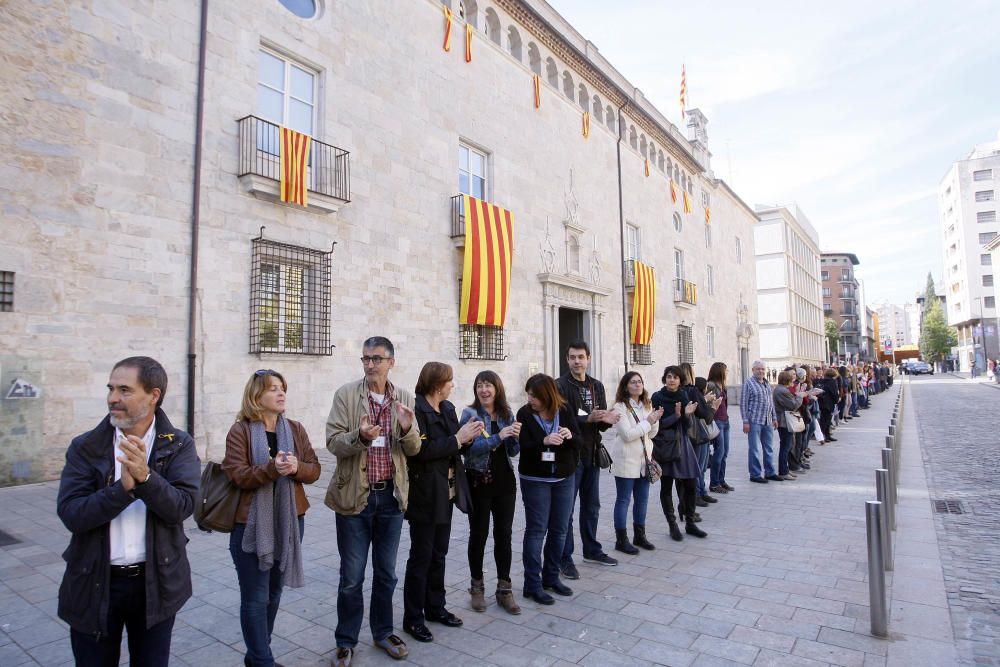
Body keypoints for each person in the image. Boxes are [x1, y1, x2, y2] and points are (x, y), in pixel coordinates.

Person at [56, 356, 200, 666]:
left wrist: (146, 479)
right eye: (111, 388)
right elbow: (72, 514)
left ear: (153, 395)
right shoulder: (86, 447)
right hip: (94, 581)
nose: (112, 398)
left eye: (124, 390)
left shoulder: (177, 445)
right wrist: (122, 490)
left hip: (156, 583)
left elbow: (182, 507)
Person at [326, 336, 420, 666]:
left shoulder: (405, 398)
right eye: (365, 358)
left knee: (386, 574)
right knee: (351, 577)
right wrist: (359, 436)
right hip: (355, 498)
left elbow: (414, 450)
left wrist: (407, 429)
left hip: (391, 499)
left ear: (391, 362)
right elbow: (333, 443)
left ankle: (383, 632)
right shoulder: (346, 395)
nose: (369, 364)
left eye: (376, 359)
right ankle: (345, 640)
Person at [223, 369, 321, 667]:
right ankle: (263, 660)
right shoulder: (240, 431)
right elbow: (237, 475)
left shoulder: (294, 428)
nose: (281, 394)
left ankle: (257, 655)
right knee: (255, 597)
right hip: (250, 523)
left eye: (282, 388)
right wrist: (270, 470)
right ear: (256, 396)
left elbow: (314, 469)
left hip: (290, 519)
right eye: (272, 389)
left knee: (274, 591)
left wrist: (296, 468)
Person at [402, 362, 482, 643]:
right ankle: (413, 618)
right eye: (450, 381)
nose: (453, 385)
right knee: (421, 557)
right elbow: (419, 451)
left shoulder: (447, 409)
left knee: (439, 553)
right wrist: (458, 439)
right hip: (424, 493)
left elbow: (455, 443)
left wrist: (469, 436)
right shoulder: (416, 411)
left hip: (446, 491)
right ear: (437, 384)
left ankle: (435, 607)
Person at [459, 371, 522, 615]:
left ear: (497, 388)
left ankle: (504, 589)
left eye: (488, 385)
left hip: (505, 482)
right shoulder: (470, 414)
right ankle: (476, 588)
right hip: (479, 481)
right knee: (479, 535)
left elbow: (513, 452)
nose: (484, 390)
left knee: (504, 535)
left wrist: (515, 437)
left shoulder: (507, 413)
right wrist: (498, 437)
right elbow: (469, 450)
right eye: (480, 386)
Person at [556, 340, 620, 578]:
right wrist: (588, 420)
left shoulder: (597, 386)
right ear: (567, 359)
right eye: (572, 357)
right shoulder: (559, 386)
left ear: (588, 359)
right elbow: (562, 419)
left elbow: (599, 424)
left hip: (592, 454)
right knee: (567, 509)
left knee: (592, 505)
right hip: (570, 455)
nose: (576, 361)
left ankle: (592, 549)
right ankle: (565, 558)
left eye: (581, 357)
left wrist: (608, 419)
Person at [517, 373, 581, 605]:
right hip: (535, 479)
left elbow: (579, 441)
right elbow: (521, 445)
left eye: (535, 396)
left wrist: (569, 435)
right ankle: (532, 584)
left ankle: (551, 577)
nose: (530, 399)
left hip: (564, 477)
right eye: (529, 395)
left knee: (560, 529)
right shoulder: (524, 413)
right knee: (536, 530)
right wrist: (543, 442)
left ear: (547, 396)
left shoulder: (564, 410)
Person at [607, 371, 663, 555]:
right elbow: (627, 434)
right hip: (626, 459)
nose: (638, 385)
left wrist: (654, 421)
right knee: (623, 499)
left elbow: (651, 433)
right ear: (625, 386)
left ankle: (640, 535)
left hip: (644, 460)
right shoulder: (619, 407)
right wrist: (648, 422)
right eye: (633, 382)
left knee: (642, 499)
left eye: (640, 381)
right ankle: (621, 539)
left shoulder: (646, 404)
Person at [651, 366, 707, 541]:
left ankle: (690, 522)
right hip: (666, 445)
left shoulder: (684, 396)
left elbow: (688, 426)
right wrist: (676, 415)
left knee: (690, 483)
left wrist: (686, 415)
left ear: (680, 380)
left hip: (683, 443)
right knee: (666, 486)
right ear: (664, 378)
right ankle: (673, 525)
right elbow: (656, 426)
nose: (672, 380)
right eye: (669, 376)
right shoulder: (657, 397)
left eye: (675, 377)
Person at [681, 364, 719, 507]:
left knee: (697, 465)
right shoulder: (692, 391)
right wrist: (713, 406)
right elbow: (705, 415)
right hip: (697, 433)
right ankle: (698, 493)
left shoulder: (681, 391)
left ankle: (701, 492)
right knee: (699, 466)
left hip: (688, 433)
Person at [740, 360, 780, 483]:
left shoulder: (767, 384)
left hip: (767, 420)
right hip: (754, 421)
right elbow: (743, 403)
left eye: (763, 369)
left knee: (768, 448)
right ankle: (755, 474)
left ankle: (770, 472)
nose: (761, 371)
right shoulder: (748, 383)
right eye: (758, 369)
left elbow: (771, 402)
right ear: (753, 370)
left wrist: (774, 418)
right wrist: (745, 421)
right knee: (754, 448)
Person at [706, 362, 734, 494]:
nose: (727, 372)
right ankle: (714, 483)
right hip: (717, 421)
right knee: (719, 452)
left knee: (724, 453)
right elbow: (705, 402)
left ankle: (721, 480)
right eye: (725, 370)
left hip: (725, 421)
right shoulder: (711, 385)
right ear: (719, 371)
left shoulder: (723, 385)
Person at [772, 370, 805, 481]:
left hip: (785, 421)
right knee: (786, 447)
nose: (793, 381)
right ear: (787, 380)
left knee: (787, 446)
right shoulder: (782, 391)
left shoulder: (782, 389)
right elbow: (793, 405)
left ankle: (785, 469)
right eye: (791, 379)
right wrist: (799, 395)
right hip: (784, 422)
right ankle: (783, 471)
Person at [815, 369, 840, 444]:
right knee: (827, 420)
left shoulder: (822, 380)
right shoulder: (832, 381)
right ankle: (824, 436)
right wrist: (837, 400)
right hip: (829, 403)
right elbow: (834, 393)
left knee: (824, 419)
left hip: (822, 402)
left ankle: (825, 435)